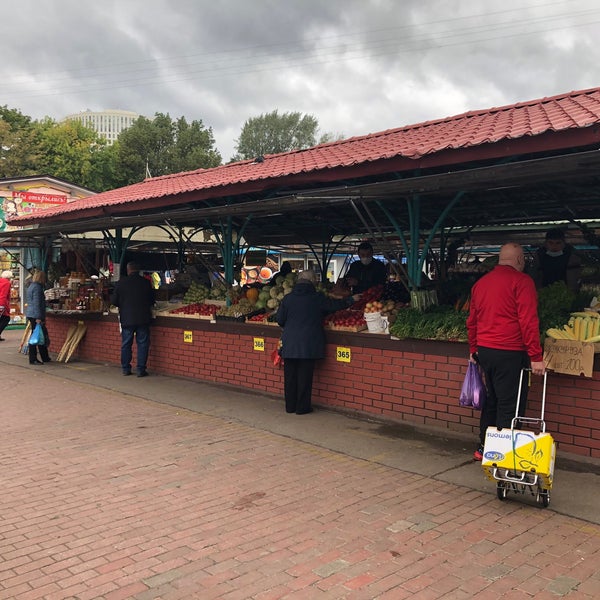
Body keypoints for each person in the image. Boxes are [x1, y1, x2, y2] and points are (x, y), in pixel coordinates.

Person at [466, 242, 545, 461]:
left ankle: (483, 447)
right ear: (520, 260)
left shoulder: (481, 284)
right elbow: (528, 321)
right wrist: (536, 357)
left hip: (486, 352)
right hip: (510, 351)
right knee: (510, 403)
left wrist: (474, 349)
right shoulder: (522, 282)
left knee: (492, 400)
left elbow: (471, 321)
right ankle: (502, 454)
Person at [276, 270, 360, 415]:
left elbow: (280, 320)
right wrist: (351, 300)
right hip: (308, 343)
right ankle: (302, 408)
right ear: (312, 281)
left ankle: (290, 407)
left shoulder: (288, 298)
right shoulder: (316, 297)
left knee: (290, 377)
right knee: (304, 377)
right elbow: (334, 306)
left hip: (289, 342)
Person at [110, 261, 156, 377]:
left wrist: (124, 305)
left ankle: (126, 368)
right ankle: (141, 369)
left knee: (126, 344)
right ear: (139, 270)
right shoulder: (146, 283)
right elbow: (152, 300)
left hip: (127, 318)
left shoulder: (121, 283)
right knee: (143, 344)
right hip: (143, 318)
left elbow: (114, 301)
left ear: (128, 270)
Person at [25, 270, 50, 364]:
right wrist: (38, 317)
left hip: (31, 314)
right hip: (36, 315)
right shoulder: (38, 288)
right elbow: (37, 303)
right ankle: (33, 358)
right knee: (36, 336)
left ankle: (45, 356)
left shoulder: (31, 286)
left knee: (40, 334)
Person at [0, 270, 13, 341]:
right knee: (6, 319)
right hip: (2, 303)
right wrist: (3, 306)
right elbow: (3, 295)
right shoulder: (7, 283)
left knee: (2, 319)